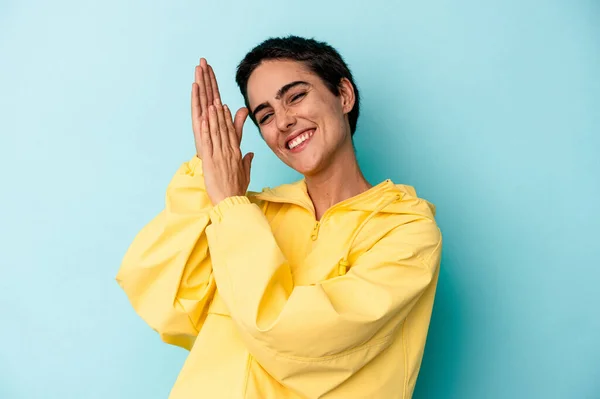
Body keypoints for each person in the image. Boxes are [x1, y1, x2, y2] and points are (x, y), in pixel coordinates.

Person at [116, 35, 442, 399]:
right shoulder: (244, 211)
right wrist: (205, 175)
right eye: (266, 115)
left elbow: (296, 338)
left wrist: (230, 205)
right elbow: (165, 295)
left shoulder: (405, 230)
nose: (284, 121)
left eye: (296, 96)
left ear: (344, 96)